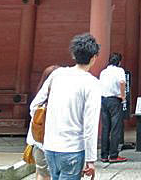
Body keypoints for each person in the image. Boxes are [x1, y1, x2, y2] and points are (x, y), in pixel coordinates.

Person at [30, 33, 101, 180]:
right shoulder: (92, 83)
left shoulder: (57, 75)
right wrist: (91, 159)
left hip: (49, 145)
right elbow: (90, 124)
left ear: (74, 55)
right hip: (73, 148)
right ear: (94, 57)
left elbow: (35, 106)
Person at [26, 65, 60, 180]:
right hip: (50, 144)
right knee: (48, 174)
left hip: (37, 142)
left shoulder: (39, 100)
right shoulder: (53, 100)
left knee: (41, 172)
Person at [99, 53, 127, 163]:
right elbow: (122, 82)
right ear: (119, 62)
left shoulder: (103, 72)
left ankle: (104, 155)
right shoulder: (119, 70)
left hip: (104, 100)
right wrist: (123, 96)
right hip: (114, 100)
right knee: (116, 128)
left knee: (106, 128)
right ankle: (114, 155)